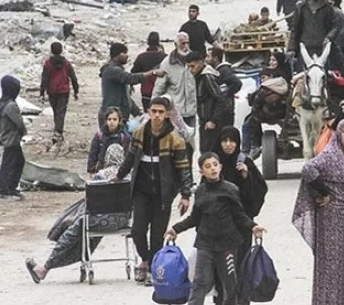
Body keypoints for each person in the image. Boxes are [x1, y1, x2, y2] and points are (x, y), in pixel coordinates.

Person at [165, 152, 266, 305]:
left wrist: (253, 226)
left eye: (215, 165)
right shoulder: (200, 191)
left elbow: (239, 215)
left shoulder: (231, 189)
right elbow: (194, 218)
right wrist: (175, 229)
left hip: (228, 245)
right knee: (200, 282)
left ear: (220, 167)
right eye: (207, 166)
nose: (212, 169)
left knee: (230, 285)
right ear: (201, 172)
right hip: (205, 244)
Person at [114, 96, 193, 285]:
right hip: (141, 191)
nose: (157, 116)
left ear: (167, 115)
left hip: (163, 193)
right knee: (137, 230)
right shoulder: (140, 133)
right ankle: (147, 260)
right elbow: (131, 158)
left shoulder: (175, 138)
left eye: (161, 112)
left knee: (157, 235)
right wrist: (118, 176)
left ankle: (150, 269)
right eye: (154, 111)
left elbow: (183, 168)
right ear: (148, 112)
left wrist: (186, 194)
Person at [25, 142, 129, 283]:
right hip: (122, 221)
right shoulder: (129, 176)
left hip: (98, 221)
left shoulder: (100, 176)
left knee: (74, 233)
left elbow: (90, 202)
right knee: (86, 236)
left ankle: (44, 268)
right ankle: (48, 267)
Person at [292, 119, 344, 305]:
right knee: (333, 275)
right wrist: (323, 191)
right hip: (334, 228)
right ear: (338, 134)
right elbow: (308, 169)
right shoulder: (331, 154)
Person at [210, 127, 269, 304]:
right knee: (220, 270)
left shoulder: (244, 163)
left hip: (241, 227)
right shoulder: (212, 165)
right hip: (218, 228)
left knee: (241, 268)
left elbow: (258, 194)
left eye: (232, 141)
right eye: (225, 141)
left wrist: (246, 177)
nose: (228, 145)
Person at [98, 43, 163, 127]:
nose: (127, 56)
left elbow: (124, 97)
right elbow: (131, 78)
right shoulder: (113, 70)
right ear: (120, 54)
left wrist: (137, 112)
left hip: (118, 116)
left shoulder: (117, 70)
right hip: (110, 117)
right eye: (125, 53)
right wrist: (153, 73)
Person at [288, 0, 338, 70]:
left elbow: (335, 25)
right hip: (305, 48)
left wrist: (329, 37)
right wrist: (292, 49)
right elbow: (294, 29)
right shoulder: (301, 7)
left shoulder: (328, 6)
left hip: (323, 47)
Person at [241, 68, 290, 158]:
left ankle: (250, 148)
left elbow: (255, 106)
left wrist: (259, 114)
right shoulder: (284, 84)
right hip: (283, 114)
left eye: (263, 77)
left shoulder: (265, 89)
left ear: (271, 76)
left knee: (249, 123)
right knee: (250, 119)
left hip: (269, 115)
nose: (262, 80)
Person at [153, 32, 197, 129]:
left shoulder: (194, 60)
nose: (185, 46)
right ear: (175, 44)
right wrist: (154, 108)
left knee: (190, 141)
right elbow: (158, 88)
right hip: (175, 113)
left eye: (187, 43)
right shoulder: (167, 63)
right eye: (182, 43)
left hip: (191, 112)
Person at [187, 51, 228, 153]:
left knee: (209, 152)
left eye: (192, 66)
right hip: (204, 120)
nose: (190, 70)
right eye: (188, 67)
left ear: (200, 62)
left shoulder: (207, 77)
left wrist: (213, 120)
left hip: (211, 121)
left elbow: (220, 99)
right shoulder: (198, 76)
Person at [0, 75, 27, 201]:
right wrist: (23, 131)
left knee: (17, 162)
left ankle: (11, 188)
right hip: (11, 139)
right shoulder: (10, 106)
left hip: (8, 138)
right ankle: (5, 191)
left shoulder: (2, 104)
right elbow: (19, 122)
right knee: (9, 164)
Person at [39, 41, 79, 143]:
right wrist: (76, 91)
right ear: (61, 50)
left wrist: (42, 92)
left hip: (52, 91)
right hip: (64, 92)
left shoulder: (48, 64)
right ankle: (58, 131)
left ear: (51, 50)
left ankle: (57, 131)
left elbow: (44, 79)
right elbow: (73, 78)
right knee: (61, 111)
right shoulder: (66, 63)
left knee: (56, 111)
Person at [206, 47, 242, 129]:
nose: (206, 59)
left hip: (225, 112)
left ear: (215, 58)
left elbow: (237, 83)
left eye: (208, 56)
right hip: (220, 110)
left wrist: (225, 95)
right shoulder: (215, 71)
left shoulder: (224, 71)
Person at [87, 107, 130, 174]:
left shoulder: (124, 137)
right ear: (106, 121)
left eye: (114, 119)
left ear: (119, 121)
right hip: (101, 169)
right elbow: (93, 153)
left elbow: (127, 156)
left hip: (118, 171)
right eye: (109, 119)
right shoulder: (100, 135)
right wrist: (91, 170)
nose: (111, 122)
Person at [131, 32, 167, 112]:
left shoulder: (141, 57)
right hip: (162, 91)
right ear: (158, 42)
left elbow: (133, 74)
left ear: (147, 42)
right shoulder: (165, 57)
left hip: (146, 92)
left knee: (148, 115)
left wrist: (130, 85)